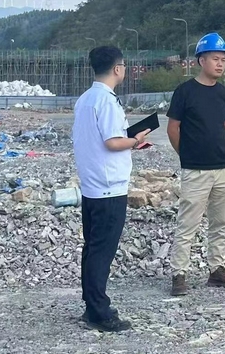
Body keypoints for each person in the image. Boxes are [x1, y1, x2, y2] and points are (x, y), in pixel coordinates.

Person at [73, 46, 151, 332]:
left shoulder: (84, 100)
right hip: (109, 188)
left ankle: (91, 304)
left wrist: (128, 140)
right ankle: (99, 311)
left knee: (92, 248)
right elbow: (112, 142)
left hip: (92, 186)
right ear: (118, 68)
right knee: (102, 252)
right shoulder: (106, 101)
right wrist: (135, 139)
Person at [167, 32, 225, 296]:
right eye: (215, 59)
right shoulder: (185, 92)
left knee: (220, 222)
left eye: (223, 59)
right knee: (188, 223)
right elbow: (173, 128)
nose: (220, 64)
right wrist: (186, 154)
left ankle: (217, 269)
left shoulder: (224, 94)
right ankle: (179, 274)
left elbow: (224, 126)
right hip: (195, 170)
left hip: (222, 168)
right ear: (201, 60)